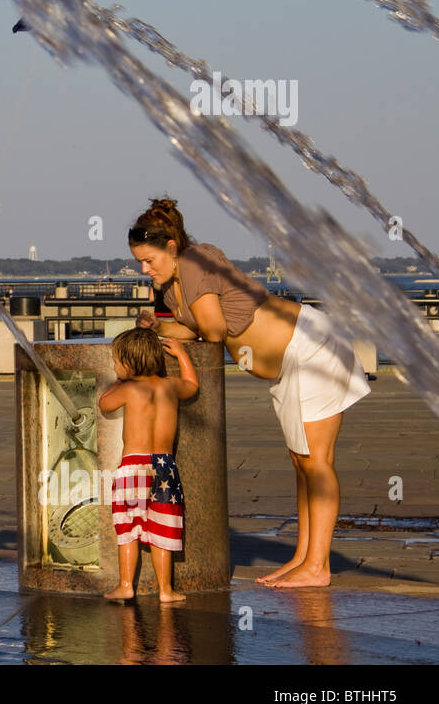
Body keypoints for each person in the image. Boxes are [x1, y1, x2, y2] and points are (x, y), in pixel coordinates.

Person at [128, 196, 369, 589]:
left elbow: (215, 331)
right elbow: (193, 330)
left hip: (311, 348)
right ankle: (305, 557)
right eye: (139, 261)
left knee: (317, 461)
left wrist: (170, 327)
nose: (144, 269)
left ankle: (319, 567)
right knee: (301, 461)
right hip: (289, 365)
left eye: (149, 260)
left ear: (171, 249)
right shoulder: (174, 288)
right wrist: (155, 329)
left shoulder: (194, 263)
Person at [98, 328, 198, 603]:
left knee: (128, 528)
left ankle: (126, 585)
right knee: (163, 530)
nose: (113, 366)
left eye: (116, 362)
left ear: (128, 366)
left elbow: (105, 404)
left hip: (134, 465)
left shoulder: (129, 388)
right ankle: (166, 591)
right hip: (166, 466)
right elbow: (192, 384)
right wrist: (181, 354)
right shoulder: (170, 386)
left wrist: (119, 381)